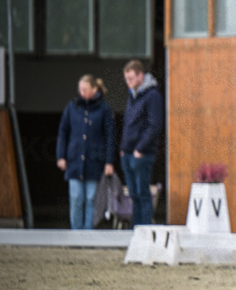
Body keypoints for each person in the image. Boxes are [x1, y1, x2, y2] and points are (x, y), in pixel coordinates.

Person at [56, 75, 116, 230]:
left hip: (95, 160)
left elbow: (110, 136)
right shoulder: (72, 107)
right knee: (76, 197)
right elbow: (63, 132)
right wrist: (60, 155)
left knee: (91, 198)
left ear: (94, 89)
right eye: (80, 89)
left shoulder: (104, 109)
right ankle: (76, 231)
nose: (81, 92)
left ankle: (88, 232)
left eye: (85, 89)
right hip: (74, 159)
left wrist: (109, 161)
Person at [121, 59, 163, 226]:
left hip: (141, 153)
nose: (128, 83)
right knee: (133, 194)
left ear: (140, 75)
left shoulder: (152, 96)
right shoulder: (133, 96)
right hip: (128, 152)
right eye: (126, 79)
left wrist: (140, 148)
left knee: (142, 193)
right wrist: (124, 149)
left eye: (131, 78)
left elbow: (154, 125)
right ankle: (136, 229)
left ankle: (145, 229)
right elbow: (128, 124)